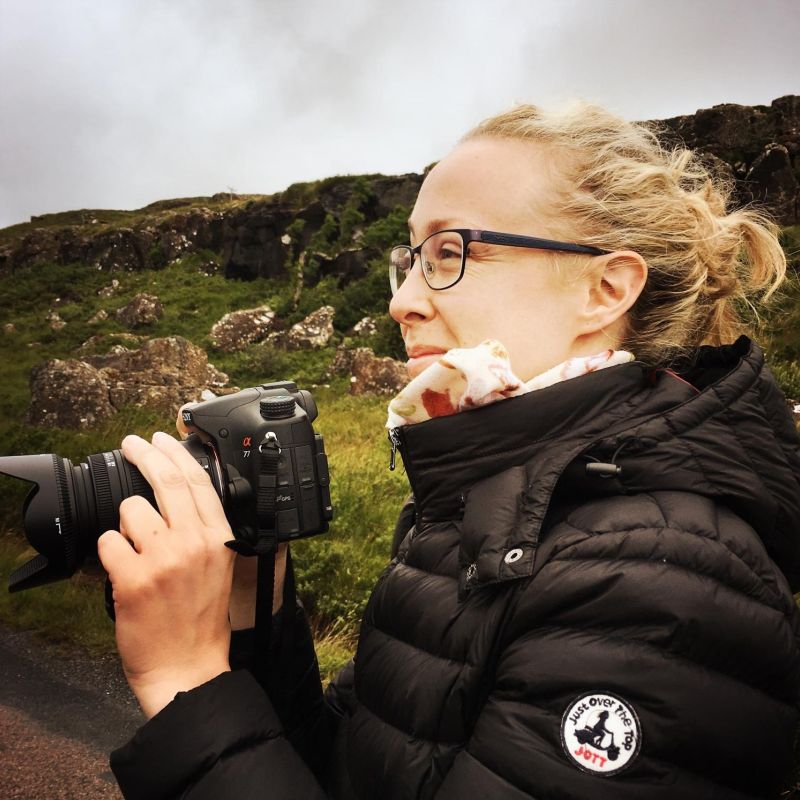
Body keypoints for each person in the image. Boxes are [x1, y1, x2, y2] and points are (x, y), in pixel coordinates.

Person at [99, 101, 800, 799]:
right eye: (410, 258)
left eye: (450, 252)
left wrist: (186, 681)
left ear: (605, 289)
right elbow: (346, 772)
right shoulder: (488, 510)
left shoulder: (658, 576)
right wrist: (254, 604)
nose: (403, 301)